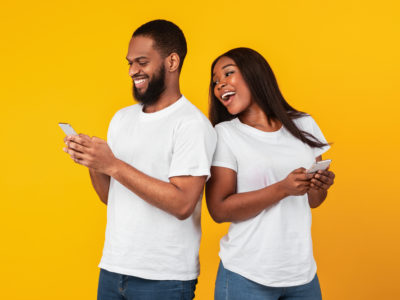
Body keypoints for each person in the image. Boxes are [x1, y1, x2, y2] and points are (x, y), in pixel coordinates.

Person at [63, 20, 216, 300]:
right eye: (130, 62)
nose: (133, 70)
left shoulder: (191, 124)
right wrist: (92, 162)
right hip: (113, 268)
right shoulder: (122, 119)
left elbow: (183, 204)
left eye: (142, 61)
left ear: (172, 61)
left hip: (164, 278)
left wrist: (112, 165)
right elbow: (112, 197)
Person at [206, 47, 335, 300]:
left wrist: (319, 186)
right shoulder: (224, 134)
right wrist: (282, 189)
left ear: (255, 75)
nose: (220, 85)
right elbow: (219, 210)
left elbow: (314, 201)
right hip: (246, 275)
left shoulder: (303, 123)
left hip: (303, 275)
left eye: (228, 74)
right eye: (215, 82)